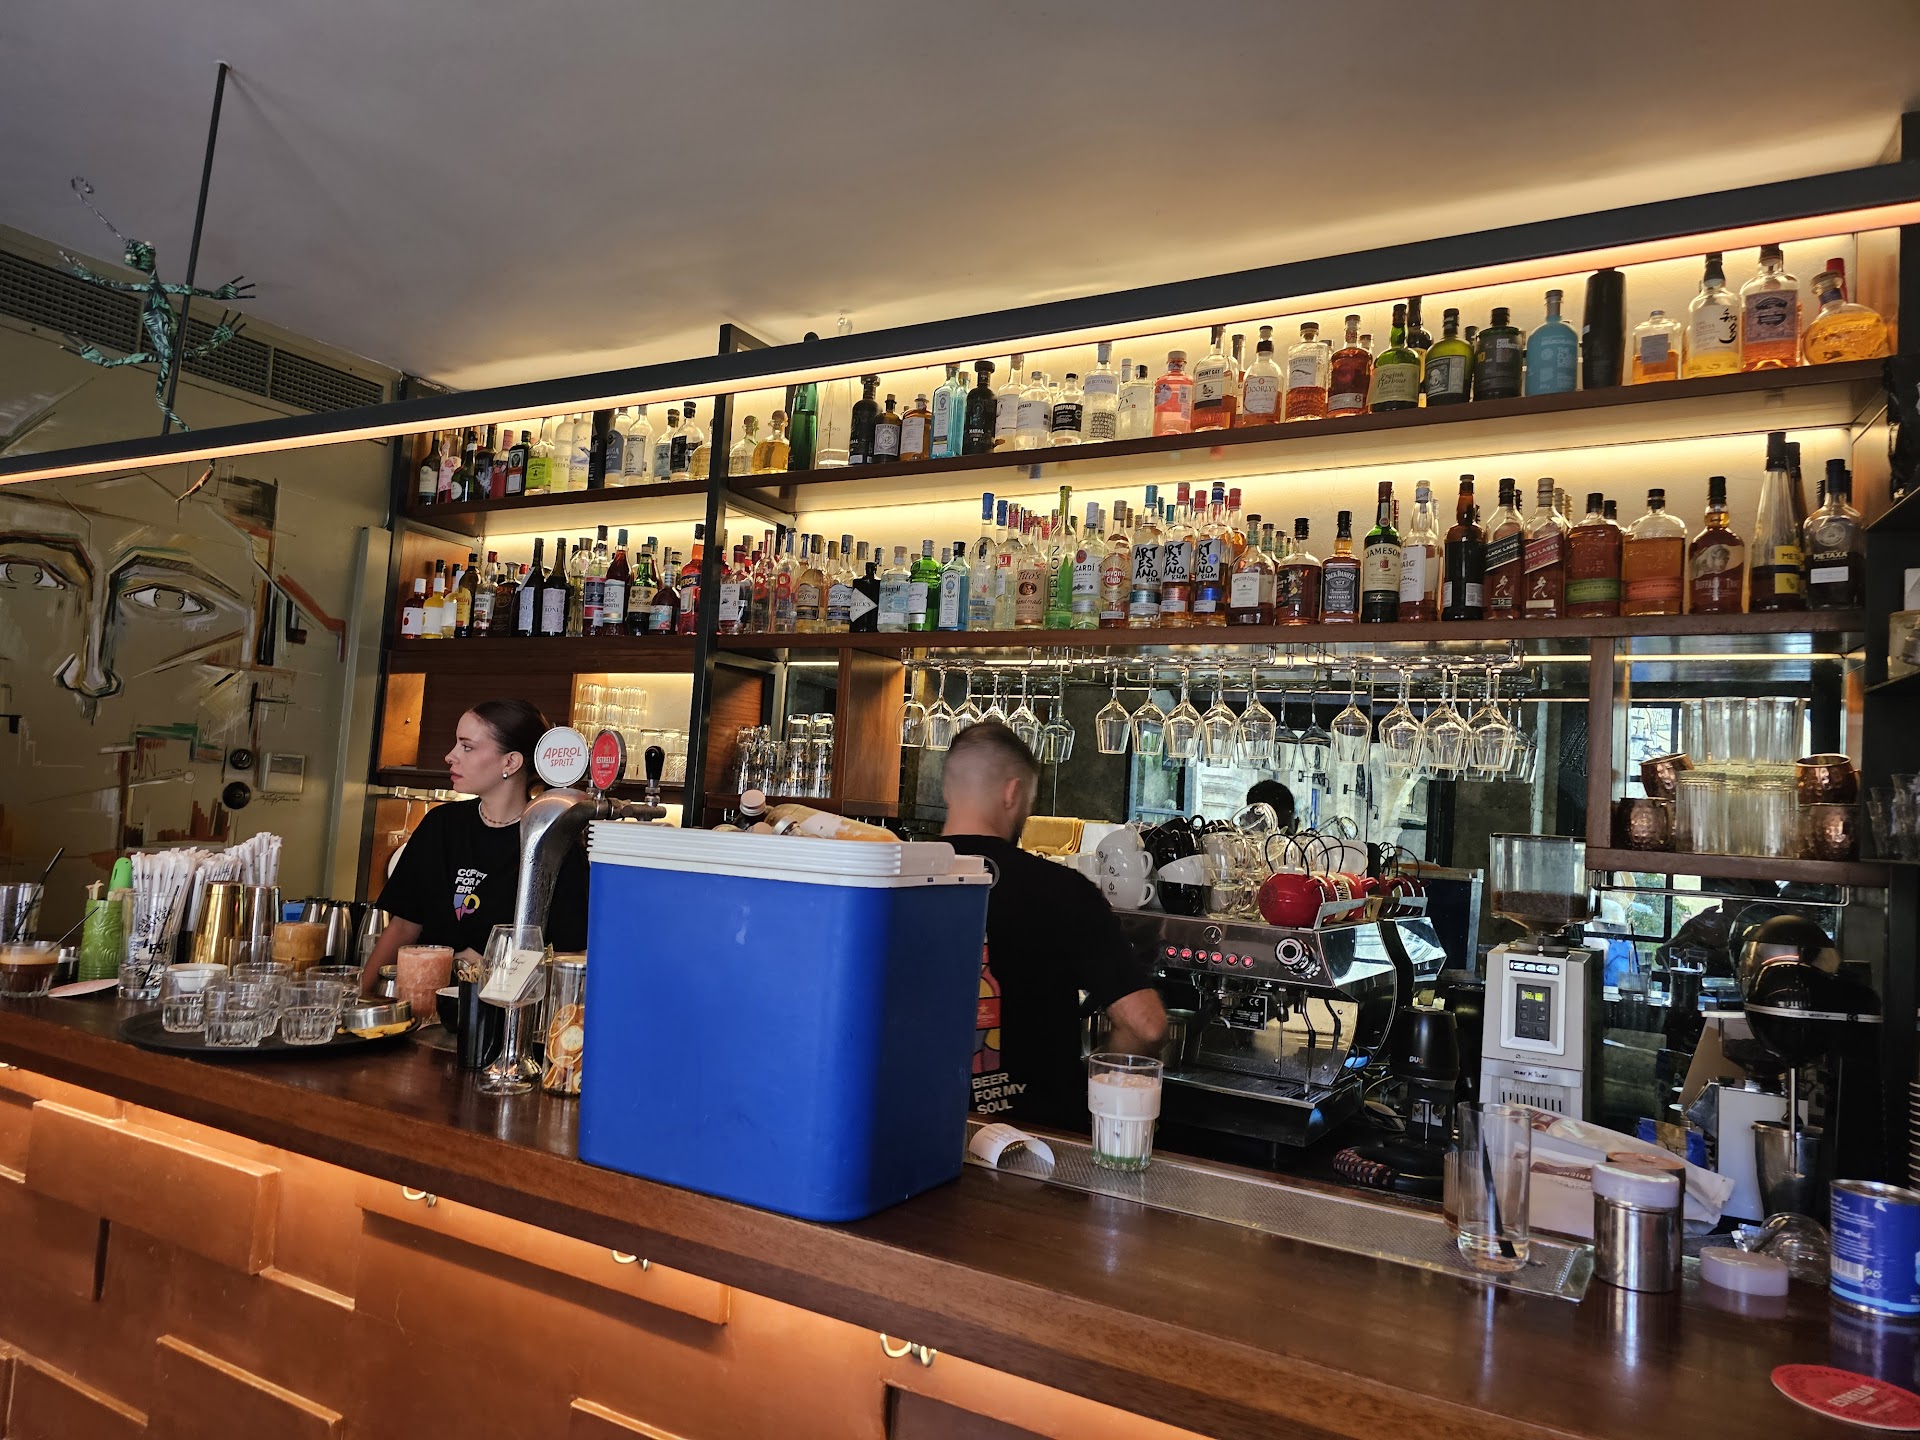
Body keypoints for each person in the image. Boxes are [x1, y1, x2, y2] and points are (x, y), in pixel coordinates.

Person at [941, 721, 1166, 1128]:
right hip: (1037, 1140)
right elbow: (1146, 1026)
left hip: (914, 1134)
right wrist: (1094, 1086)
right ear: (1013, 793)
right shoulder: (1062, 890)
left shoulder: (887, 878)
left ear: (947, 791)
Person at [363, 699, 589, 991]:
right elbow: (403, 926)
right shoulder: (440, 825)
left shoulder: (551, 843)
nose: (450, 756)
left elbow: (572, 956)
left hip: (502, 1009)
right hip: (423, 1003)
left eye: (466, 747)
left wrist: (490, 966)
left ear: (510, 762)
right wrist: (361, 996)